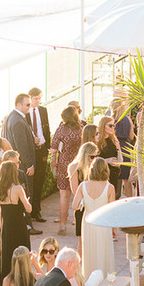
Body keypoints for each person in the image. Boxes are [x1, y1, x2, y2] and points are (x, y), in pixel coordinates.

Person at [72, 157, 115, 279]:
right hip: (103, 222)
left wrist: (85, 204)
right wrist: (114, 228)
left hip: (88, 222)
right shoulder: (109, 187)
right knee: (103, 250)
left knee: (89, 251)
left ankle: (88, 278)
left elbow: (74, 206)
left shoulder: (83, 185)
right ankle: (105, 277)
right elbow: (111, 211)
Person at [0, 159, 31, 280]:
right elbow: (29, 209)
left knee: (7, 254)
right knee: (22, 252)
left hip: (6, 226)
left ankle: (6, 281)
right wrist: (28, 201)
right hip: (19, 225)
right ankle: (23, 278)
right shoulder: (18, 188)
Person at [51, 106, 84, 234]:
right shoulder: (81, 130)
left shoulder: (61, 130)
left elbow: (53, 149)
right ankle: (79, 223)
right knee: (79, 194)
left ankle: (63, 225)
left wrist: (54, 160)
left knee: (64, 195)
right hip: (79, 163)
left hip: (64, 163)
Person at [1, 93, 36, 197]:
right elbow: (22, 146)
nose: (30, 107)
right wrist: (29, 164)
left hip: (14, 164)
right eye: (27, 105)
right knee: (26, 194)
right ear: (19, 105)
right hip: (22, 166)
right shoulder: (18, 121)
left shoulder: (9, 117)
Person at [68, 141, 99, 255]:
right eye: (92, 157)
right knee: (81, 241)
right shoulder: (74, 168)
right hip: (82, 206)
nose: (94, 159)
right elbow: (75, 191)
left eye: (96, 156)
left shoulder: (95, 167)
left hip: (95, 204)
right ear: (85, 156)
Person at [27, 87, 51, 222]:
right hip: (31, 150)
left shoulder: (43, 110)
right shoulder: (25, 112)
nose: (38, 101)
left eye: (39, 99)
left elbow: (46, 127)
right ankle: (29, 211)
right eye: (35, 99)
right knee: (30, 181)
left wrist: (47, 146)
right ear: (30, 98)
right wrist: (32, 139)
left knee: (40, 180)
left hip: (42, 149)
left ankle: (37, 210)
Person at [110, 97, 135, 198]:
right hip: (126, 147)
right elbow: (131, 136)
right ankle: (129, 200)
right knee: (126, 179)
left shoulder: (111, 120)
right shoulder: (128, 119)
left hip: (114, 147)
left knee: (114, 178)